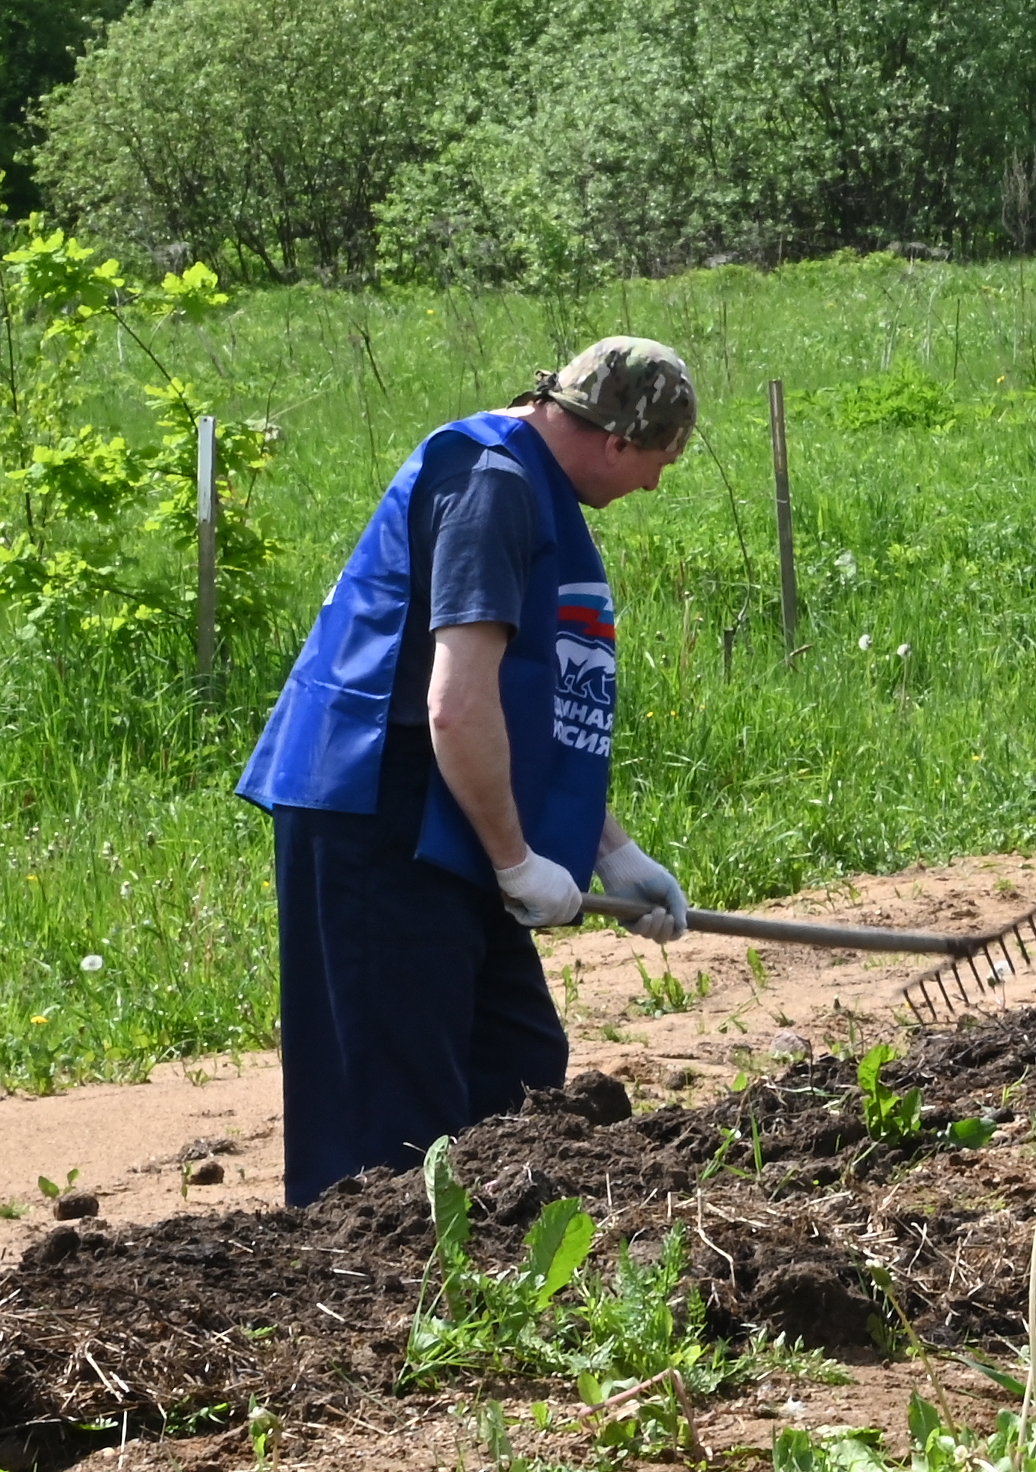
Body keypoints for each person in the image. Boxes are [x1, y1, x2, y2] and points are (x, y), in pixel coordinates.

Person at [239, 337, 700, 1206]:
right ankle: (372, 1300)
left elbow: (518, 703)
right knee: (392, 1103)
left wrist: (610, 850)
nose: (653, 486)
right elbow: (456, 704)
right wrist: (516, 860)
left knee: (514, 1063)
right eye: (657, 463)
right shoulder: (493, 486)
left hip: (441, 794)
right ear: (616, 440)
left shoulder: (530, 485)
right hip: (376, 802)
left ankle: (495, 1277)